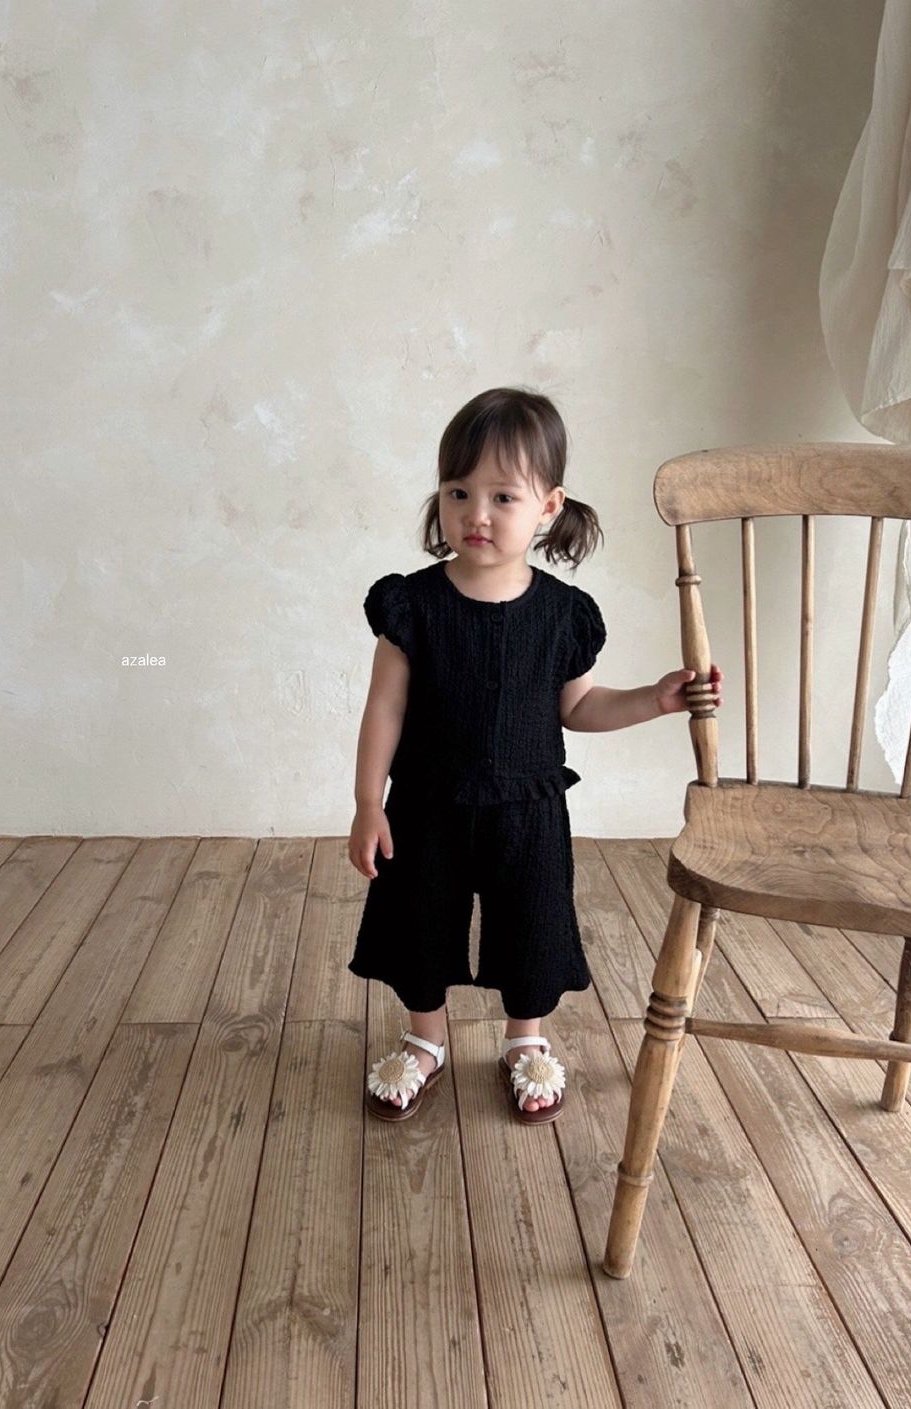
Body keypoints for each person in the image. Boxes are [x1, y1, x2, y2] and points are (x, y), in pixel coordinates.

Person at [346, 386, 722, 1125]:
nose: (476, 514)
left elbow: (579, 707)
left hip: (528, 810)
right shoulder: (412, 608)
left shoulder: (560, 615)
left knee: (532, 925)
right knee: (418, 922)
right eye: (458, 492)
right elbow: (384, 708)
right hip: (425, 804)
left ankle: (526, 1038)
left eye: (502, 496)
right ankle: (425, 1038)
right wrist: (367, 802)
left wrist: (654, 698)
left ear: (548, 507)